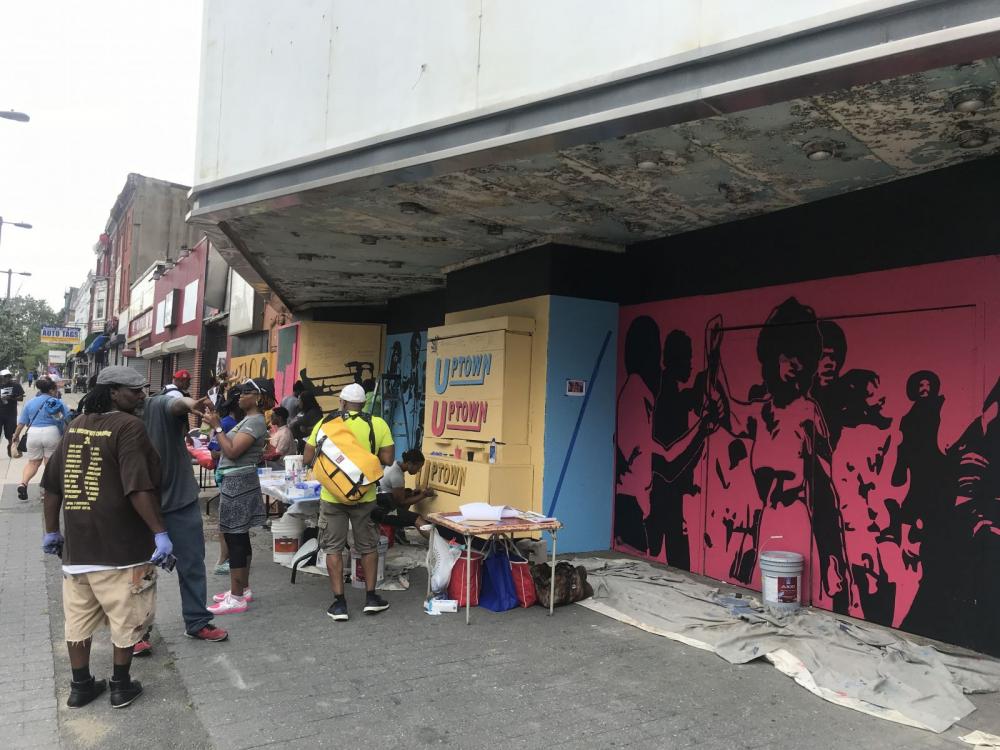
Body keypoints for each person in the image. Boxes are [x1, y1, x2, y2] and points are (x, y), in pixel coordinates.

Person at [40, 366, 174, 709]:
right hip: (123, 550)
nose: (142, 395)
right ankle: (120, 685)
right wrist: (160, 533)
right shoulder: (129, 426)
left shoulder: (75, 426)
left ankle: (81, 686)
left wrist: (52, 531)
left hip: (79, 551)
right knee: (127, 618)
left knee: (78, 621)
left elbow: (51, 487)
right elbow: (138, 487)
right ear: (113, 392)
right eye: (135, 391)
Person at [139, 386, 228, 648]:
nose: (135, 395)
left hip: (179, 502)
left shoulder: (155, 406)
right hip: (140, 508)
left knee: (191, 565)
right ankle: (135, 632)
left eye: (137, 391)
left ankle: (197, 621)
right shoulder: (116, 418)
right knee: (138, 572)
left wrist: (190, 404)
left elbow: (176, 405)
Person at [303, 382, 394, 621]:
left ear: (342, 402)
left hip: (332, 495)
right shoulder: (377, 424)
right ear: (363, 404)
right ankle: (371, 598)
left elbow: (307, 457)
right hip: (366, 496)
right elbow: (388, 458)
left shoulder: (326, 424)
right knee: (368, 546)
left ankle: (339, 604)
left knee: (333, 547)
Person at [203, 378, 273, 615]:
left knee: (235, 538)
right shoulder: (248, 420)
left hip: (238, 483)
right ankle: (242, 590)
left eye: (246, 392)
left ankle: (236, 597)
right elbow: (226, 448)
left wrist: (218, 427)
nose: (240, 396)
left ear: (258, 398)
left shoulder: (255, 421)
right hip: (236, 480)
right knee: (239, 537)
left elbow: (232, 451)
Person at [12, 377, 70, 500]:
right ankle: (45, 492)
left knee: (33, 463)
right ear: (51, 390)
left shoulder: (31, 402)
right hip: (52, 433)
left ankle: (23, 483)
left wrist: (15, 436)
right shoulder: (57, 402)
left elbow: (22, 423)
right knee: (49, 464)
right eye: (55, 390)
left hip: (33, 434)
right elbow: (68, 418)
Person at [373, 448, 435, 541]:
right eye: (418, 467)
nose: (418, 471)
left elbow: (397, 494)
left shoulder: (394, 464)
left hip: (380, 501)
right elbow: (401, 502)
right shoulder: (397, 475)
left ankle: (398, 529)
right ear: (410, 463)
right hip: (382, 509)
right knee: (417, 518)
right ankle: (437, 544)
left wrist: (413, 493)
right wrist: (424, 495)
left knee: (410, 492)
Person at [0, 368, 26, 456]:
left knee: (10, 433)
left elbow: (21, 398)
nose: (7, 378)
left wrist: (10, 397)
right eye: (5, 376)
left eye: (8, 376)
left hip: (10, 414)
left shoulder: (16, 386)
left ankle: (11, 447)